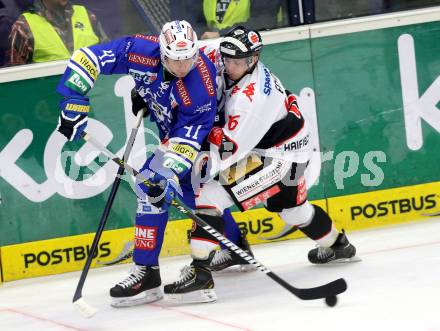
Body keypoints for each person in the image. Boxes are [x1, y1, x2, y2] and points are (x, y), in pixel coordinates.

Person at [54, 19, 251, 308]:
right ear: (161, 53)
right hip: (175, 133)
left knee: (152, 186)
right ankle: (235, 246)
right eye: (175, 60)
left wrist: (168, 171)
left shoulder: (201, 86)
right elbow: (88, 58)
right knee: (196, 196)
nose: (183, 66)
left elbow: (188, 139)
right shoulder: (140, 50)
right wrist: (73, 99)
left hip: (211, 139)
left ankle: (147, 272)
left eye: (189, 58)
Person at [164, 26, 357, 303]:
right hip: (290, 145)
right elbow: (194, 54)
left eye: (237, 63)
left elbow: (226, 150)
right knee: (293, 212)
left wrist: (180, 159)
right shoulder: (233, 57)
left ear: (253, 60)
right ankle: (338, 245)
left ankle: (200, 274)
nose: (229, 66)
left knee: (208, 196)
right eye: (226, 60)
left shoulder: (250, 100)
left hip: (278, 157)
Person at [8, 0, 107, 65]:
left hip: (94, 93)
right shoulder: (24, 26)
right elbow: (17, 81)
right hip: (50, 95)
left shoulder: (87, 15)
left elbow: (109, 56)